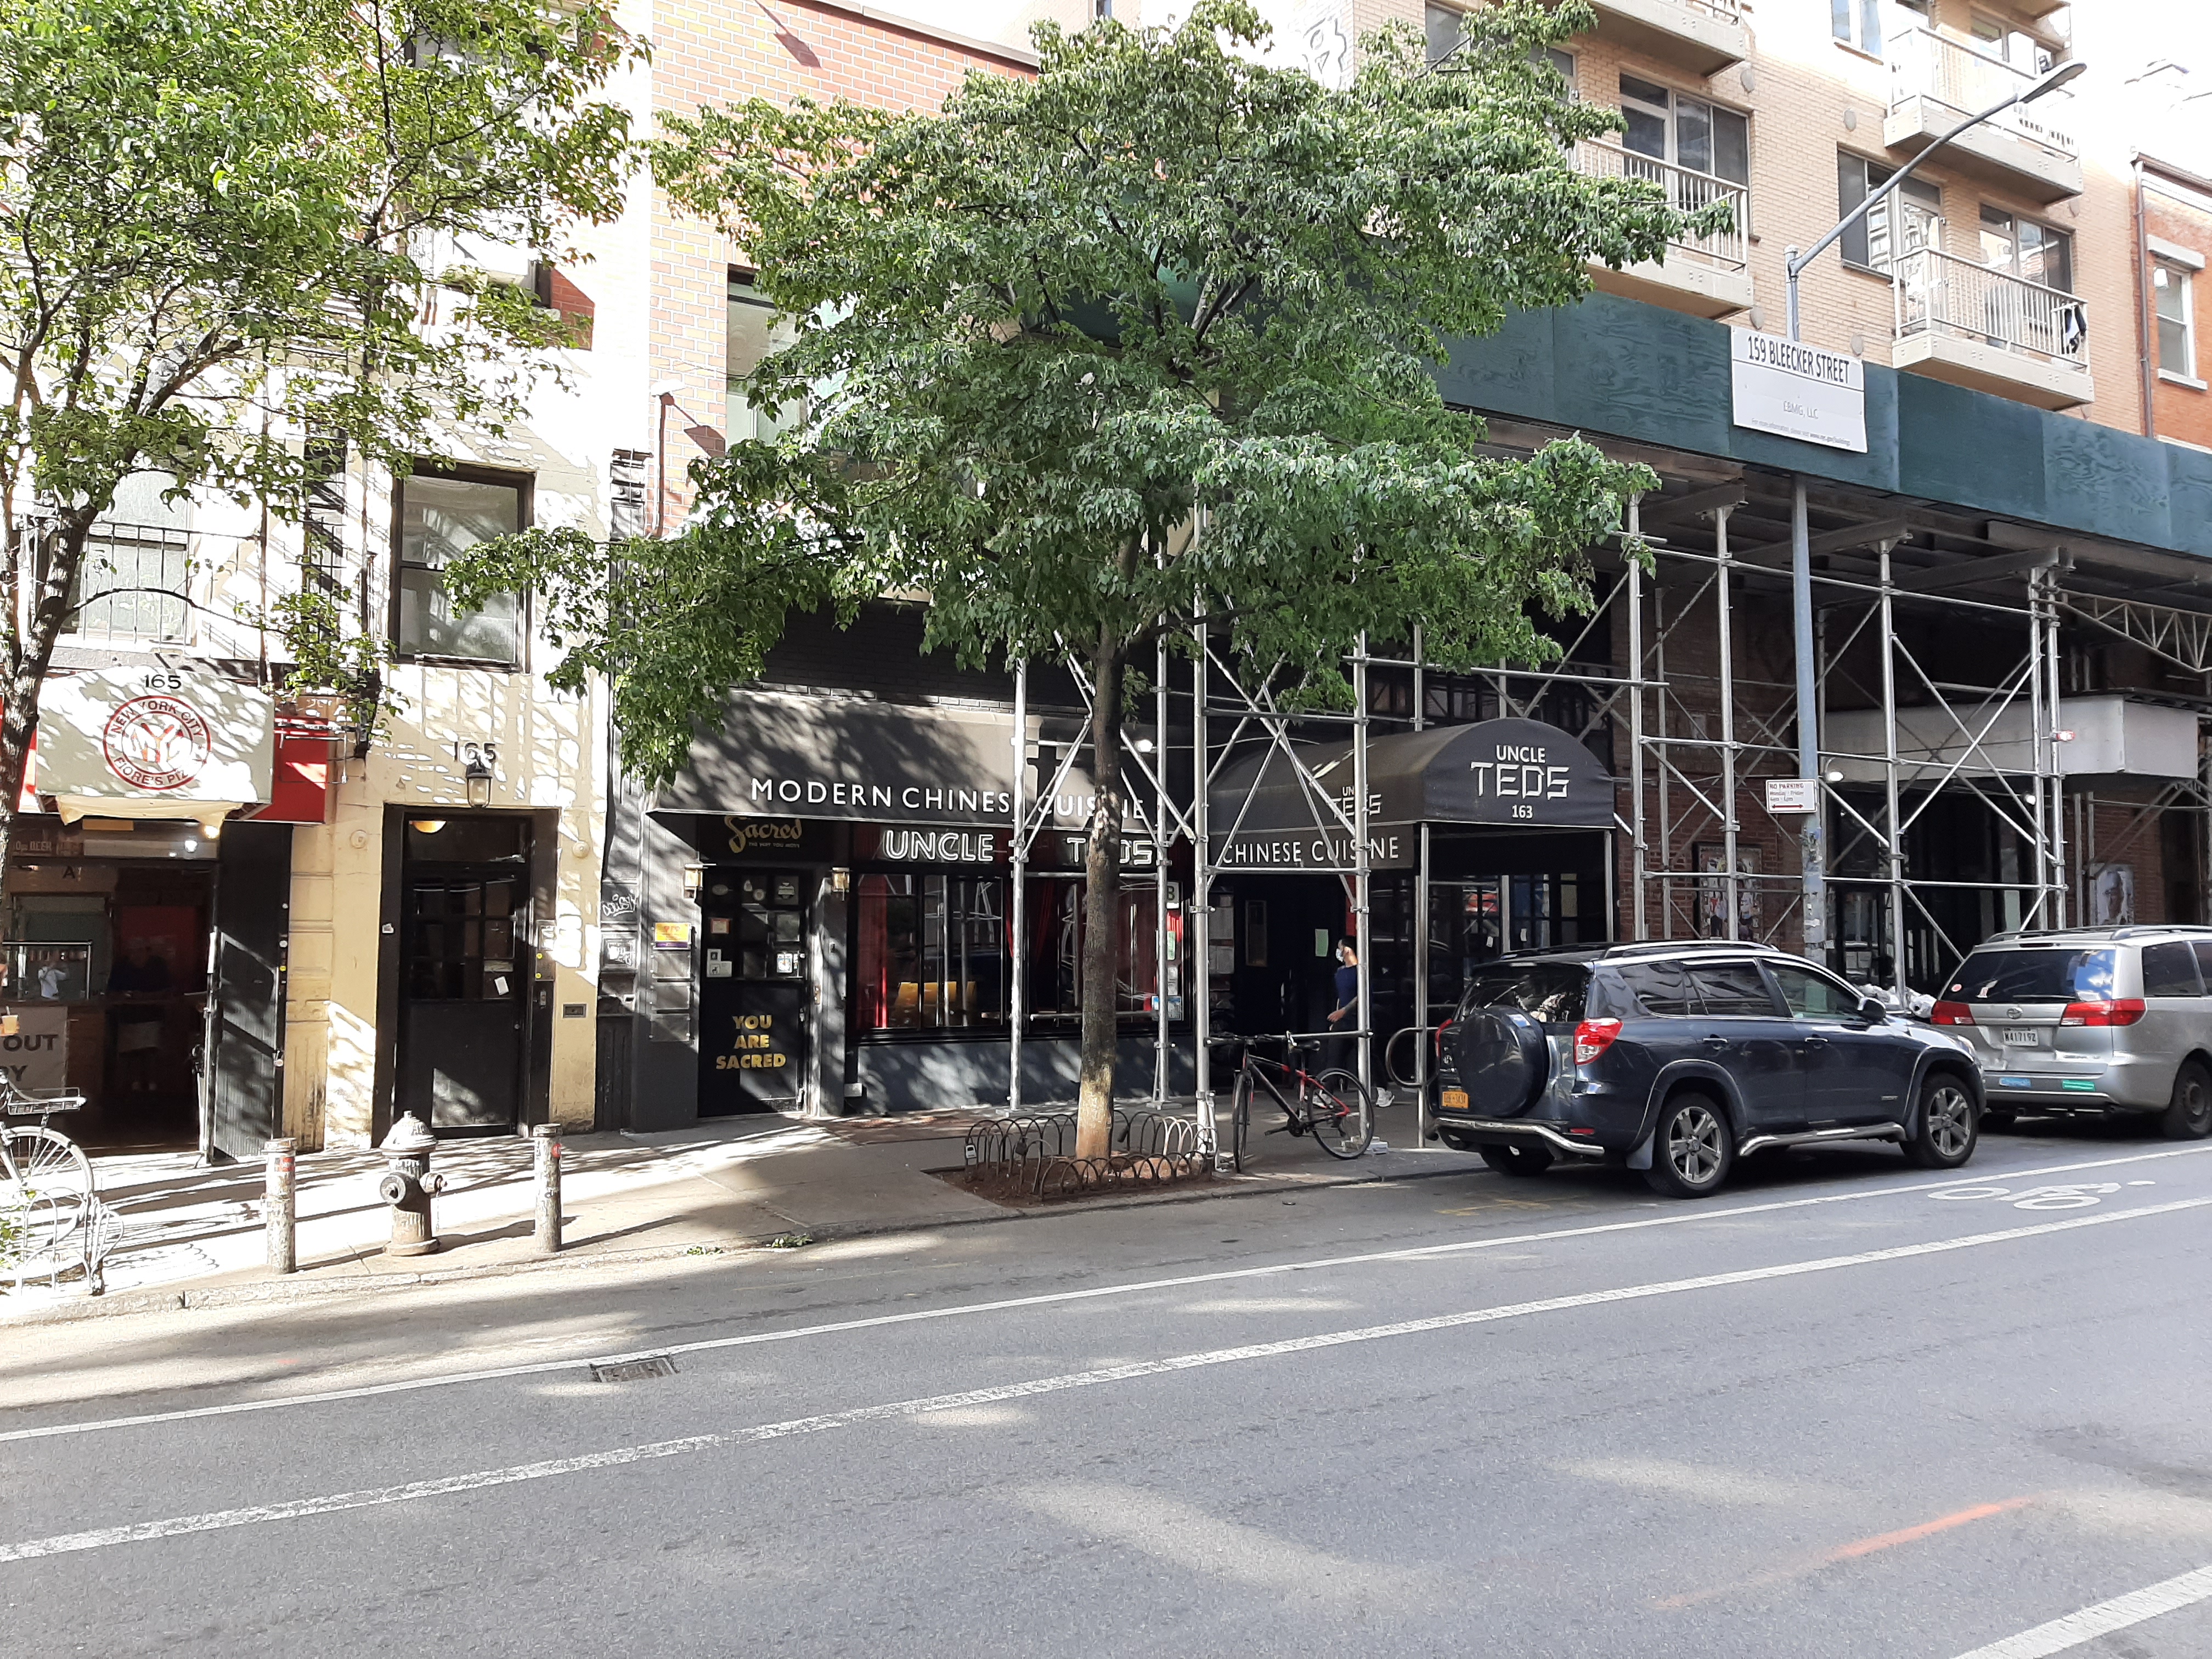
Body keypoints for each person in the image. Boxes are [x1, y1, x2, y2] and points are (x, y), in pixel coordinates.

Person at [108, 940, 172, 1094]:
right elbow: (111, 991)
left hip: (153, 1017)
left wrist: (146, 997)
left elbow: (169, 990)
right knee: (131, 1054)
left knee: (151, 1052)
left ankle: (152, 1086)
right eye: (132, 951)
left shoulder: (158, 966)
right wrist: (125, 996)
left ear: (148, 951)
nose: (136, 955)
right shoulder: (121, 967)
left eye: (140, 951)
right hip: (127, 1018)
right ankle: (134, 1086)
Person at [1323, 936, 1359, 1072]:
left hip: (1358, 1021)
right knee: (1334, 1058)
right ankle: (1329, 1085)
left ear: (1347, 950)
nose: (1338, 952)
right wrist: (1336, 1019)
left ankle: (1380, 1087)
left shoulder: (1361, 971)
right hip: (1342, 1022)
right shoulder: (1340, 973)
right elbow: (1340, 997)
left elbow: (1363, 995)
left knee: (1364, 1058)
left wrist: (1344, 1011)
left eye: (1340, 948)